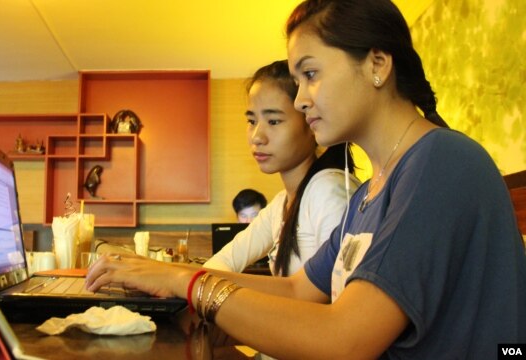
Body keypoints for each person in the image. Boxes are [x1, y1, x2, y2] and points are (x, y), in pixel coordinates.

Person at [87, 1, 526, 358]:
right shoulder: (368, 194)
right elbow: (299, 290)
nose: (300, 100)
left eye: (310, 75)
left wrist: (190, 284)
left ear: (377, 63)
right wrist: (169, 273)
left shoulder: (441, 161)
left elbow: (346, 339)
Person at [205, 60, 360, 276]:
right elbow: (225, 260)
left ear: (313, 124)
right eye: (251, 121)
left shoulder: (328, 191)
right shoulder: (281, 205)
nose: (257, 137)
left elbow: (329, 295)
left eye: (274, 121)